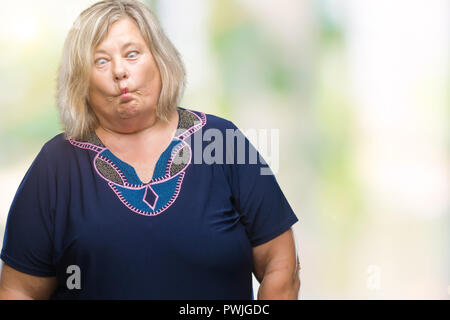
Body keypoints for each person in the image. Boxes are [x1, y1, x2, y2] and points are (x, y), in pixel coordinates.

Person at [0, 0, 300, 300]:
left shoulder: (224, 141)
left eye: (132, 54)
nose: (120, 71)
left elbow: (280, 264)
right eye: (100, 61)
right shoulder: (55, 165)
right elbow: (17, 290)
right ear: (81, 81)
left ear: (160, 59)